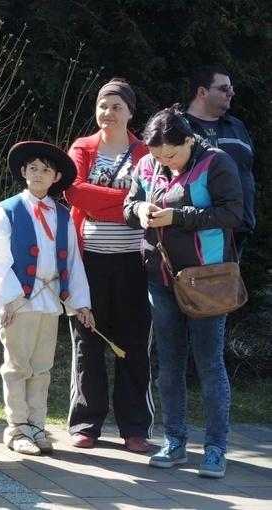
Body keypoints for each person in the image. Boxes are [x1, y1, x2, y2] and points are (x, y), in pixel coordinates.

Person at [123, 106, 242, 479]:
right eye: (158, 156)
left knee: (209, 365)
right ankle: (174, 441)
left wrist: (178, 216)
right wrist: (140, 208)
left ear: (189, 140)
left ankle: (215, 449)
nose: (165, 162)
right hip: (160, 278)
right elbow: (128, 206)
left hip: (207, 279)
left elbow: (232, 214)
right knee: (169, 365)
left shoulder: (217, 163)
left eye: (171, 154)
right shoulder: (147, 164)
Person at [63, 78, 154, 452]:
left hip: (136, 263)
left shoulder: (147, 152)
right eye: (103, 105)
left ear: (131, 112)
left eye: (117, 106)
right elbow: (72, 190)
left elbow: (150, 199)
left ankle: (135, 427)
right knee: (88, 342)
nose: (108, 113)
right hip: (88, 262)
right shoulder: (82, 148)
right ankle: (86, 423)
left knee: (134, 343)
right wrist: (126, 204)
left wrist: (102, 202)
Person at [0, 141, 93, 456]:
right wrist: (6, 300)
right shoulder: (7, 210)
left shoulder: (62, 215)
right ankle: (17, 429)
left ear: (55, 177)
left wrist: (80, 303)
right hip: (18, 303)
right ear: (23, 172)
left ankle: (36, 427)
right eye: (32, 168)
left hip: (49, 302)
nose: (38, 174)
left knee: (41, 368)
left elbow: (73, 262)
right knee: (18, 366)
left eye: (45, 170)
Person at [183, 65, 255, 258]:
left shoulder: (236, 126)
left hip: (237, 232)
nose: (231, 93)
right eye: (224, 88)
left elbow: (247, 172)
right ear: (202, 92)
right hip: (192, 235)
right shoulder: (178, 127)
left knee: (226, 288)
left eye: (231, 88)